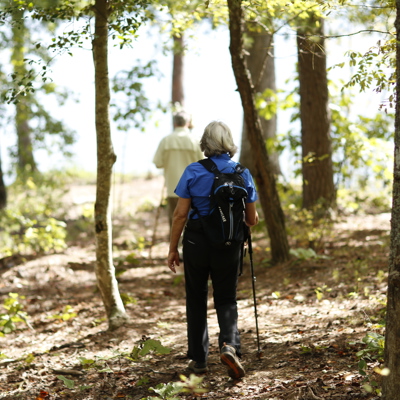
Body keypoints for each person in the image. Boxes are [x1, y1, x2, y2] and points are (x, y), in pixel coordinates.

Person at [167, 121, 259, 379]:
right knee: (226, 297)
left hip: (197, 243)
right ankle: (230, 345)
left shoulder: (193, 171)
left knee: (196, 299)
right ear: (229, 143)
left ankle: (199, 360)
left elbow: (180, 214)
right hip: (229, 244)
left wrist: (173, 248)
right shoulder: (243, 172)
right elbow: (251, 220)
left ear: (205, 144)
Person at [153, 111, 204, 230]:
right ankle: (190, 245)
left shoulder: (166, 140)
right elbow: (204, 164)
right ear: (187, 123)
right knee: (192, 219)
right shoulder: (195, 140)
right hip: (193, 187)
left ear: (175, 123)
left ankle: (175, 245)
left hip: (173, 188)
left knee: (175, 218)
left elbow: (158, 163)